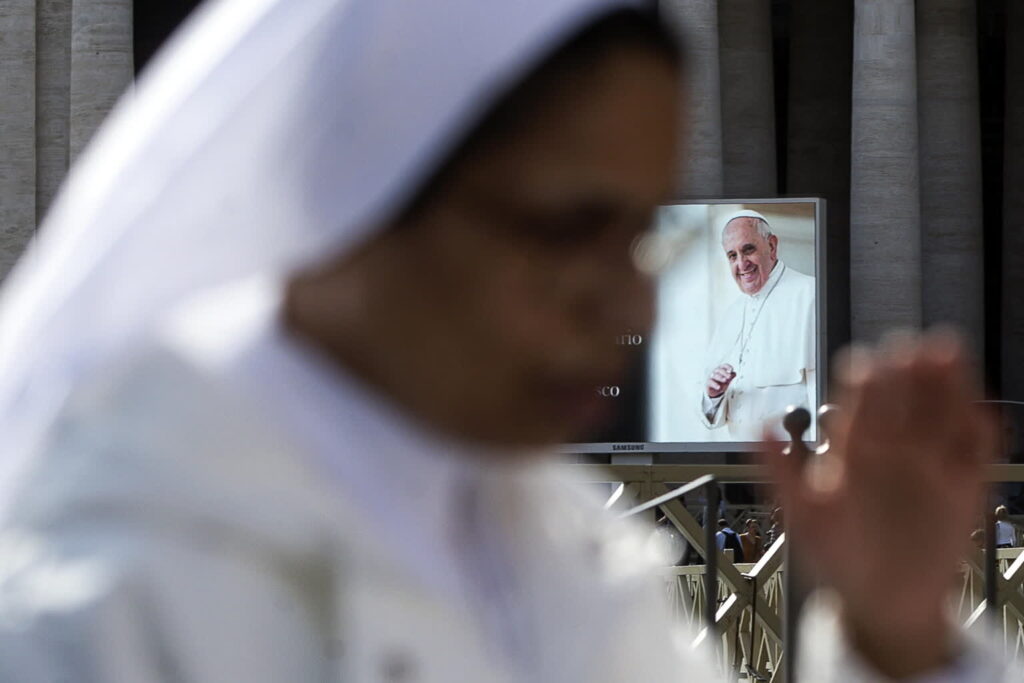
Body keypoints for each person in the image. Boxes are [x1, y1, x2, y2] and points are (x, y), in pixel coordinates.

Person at [0, 1, 1015, 682]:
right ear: (353, 207)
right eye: (567, 229)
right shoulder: (104, 600)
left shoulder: (564, 562)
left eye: (640, 239)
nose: (634, 306)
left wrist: (897, 632)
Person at [699, 212, 816, 440]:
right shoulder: (730, 314)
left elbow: (823, 394)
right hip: (739, 461)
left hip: (792, 460)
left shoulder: (811, 294)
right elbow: (712, 416)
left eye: (748, 250)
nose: (742, 264)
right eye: (732, 255)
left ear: (771, 246)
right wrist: (713, 395)